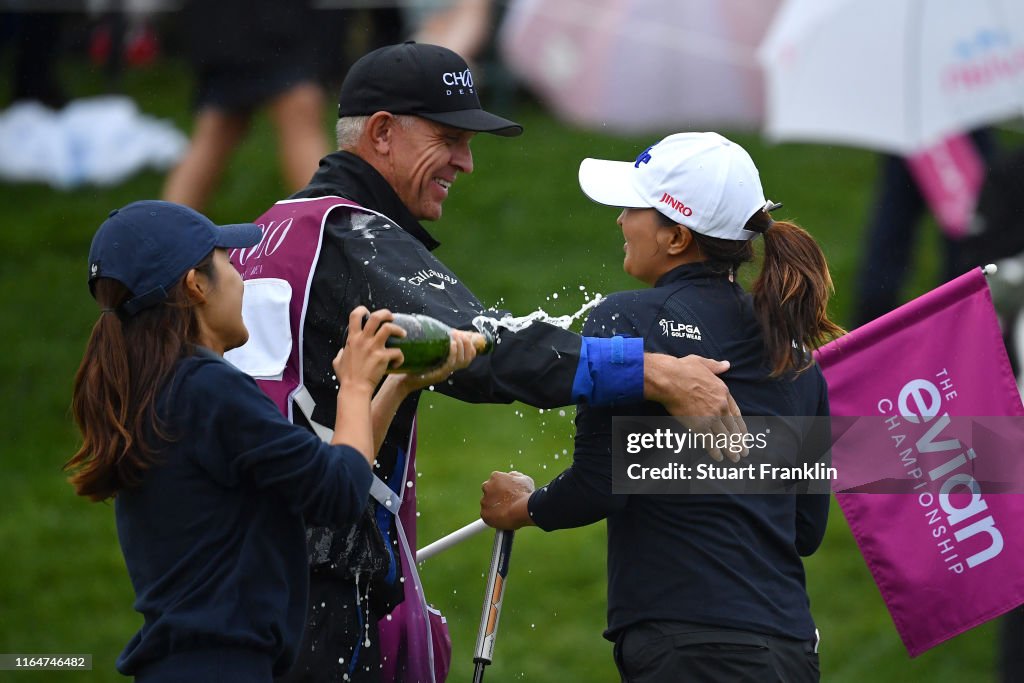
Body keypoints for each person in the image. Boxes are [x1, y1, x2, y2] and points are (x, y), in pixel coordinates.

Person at [240, 42, 745, 682]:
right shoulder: (353, 235)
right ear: (382, 132)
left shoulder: (264, 233)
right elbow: (484, 351)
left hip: (238, 566)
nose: (467, 163)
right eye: (449, 138)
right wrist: (656, 372)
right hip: (308, 584)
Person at [480, 132, 843, 682]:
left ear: (675, 237)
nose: (621, 221)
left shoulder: (624, 319)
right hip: (790, 648)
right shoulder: (796, 353)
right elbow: (806, 531)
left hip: (686, 647)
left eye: (632, 208)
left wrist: (527, 506)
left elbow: (600, 482)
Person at [64, 200, 474, 681]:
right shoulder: (209, 388)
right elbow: (340, 492)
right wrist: (357, 385)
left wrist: (398, 385)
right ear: (195, 285)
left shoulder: (162, 390)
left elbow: (322, 481)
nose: (241, 277)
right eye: (226, 261)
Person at [162, 2, 330, 211]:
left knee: (219, 127)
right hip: (264, 22)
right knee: (297, 108)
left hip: (223, 24)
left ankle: (165, 232)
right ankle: (328, 225)